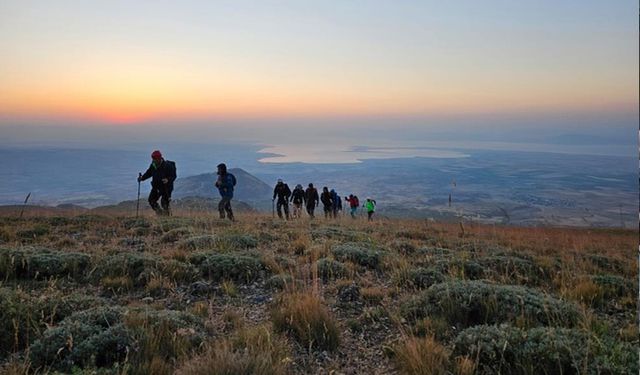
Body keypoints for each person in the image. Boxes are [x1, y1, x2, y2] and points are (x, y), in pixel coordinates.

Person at [138, 150, 176, 216]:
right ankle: (160, 214)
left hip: (166, 188)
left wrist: (168, 180)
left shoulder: (168, 166)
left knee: (164, 203)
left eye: (155, 159)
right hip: (156, 187)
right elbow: (149, 173)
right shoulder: (153, 165)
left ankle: (166, 216)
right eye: (153, 159)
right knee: (151, 200)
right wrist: (142, 178)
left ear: (159, 158)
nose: (153, 160)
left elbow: (174, 176)